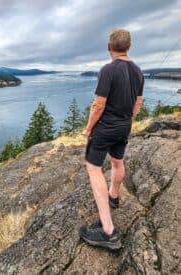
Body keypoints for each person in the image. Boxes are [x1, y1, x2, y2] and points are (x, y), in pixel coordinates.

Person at [80, 29, 144, 250]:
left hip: (106, 126)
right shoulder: (138, 71)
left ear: (110, 47)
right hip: (124, 125)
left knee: (93, 167)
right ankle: (113, 196)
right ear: (129, 46)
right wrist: (127, 120)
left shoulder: (107, 70)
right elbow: (138, 103)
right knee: (117, 161)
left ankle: (108, 231)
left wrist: (89, 129)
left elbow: (98, 105)